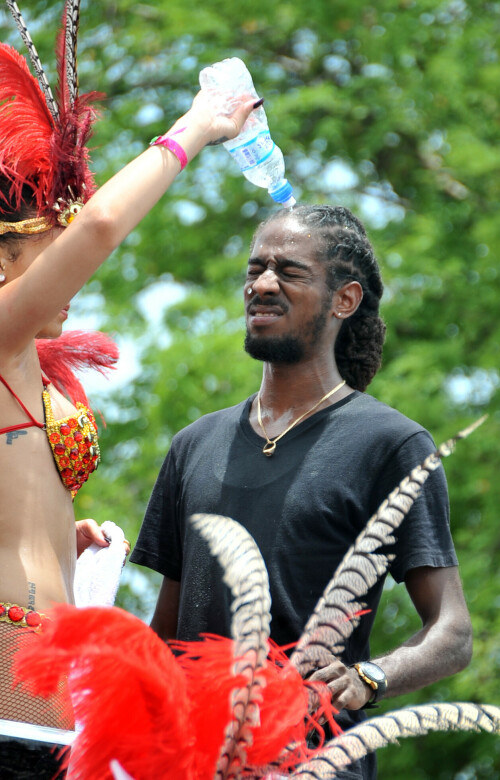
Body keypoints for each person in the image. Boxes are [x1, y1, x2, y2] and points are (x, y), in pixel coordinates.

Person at [130, 203, 473, 779]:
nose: (262, 284)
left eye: (289, 272)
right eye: (255, 269)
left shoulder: (390, 445)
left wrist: (371, 678)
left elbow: (453, 632)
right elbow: (166, 637)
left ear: (345, 299)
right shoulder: (195, 443)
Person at [0, 0, 257, 731]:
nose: (74, 277)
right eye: (56, 253)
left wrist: (60, 534)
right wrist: (199, 125)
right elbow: (106, 225)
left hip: (48, 653)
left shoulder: (23, 364)